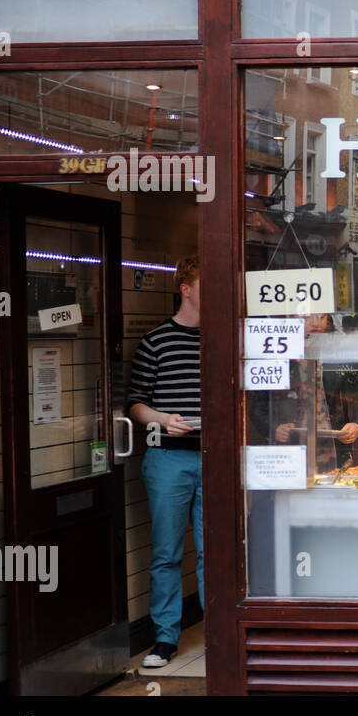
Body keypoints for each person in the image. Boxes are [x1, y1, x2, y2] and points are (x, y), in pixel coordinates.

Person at [126, 255, 203, 669]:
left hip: (216, 457)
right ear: (185, 289)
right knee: (167, 553)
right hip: (168, 459)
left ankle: (217, 630)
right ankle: (165, 639)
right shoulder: (156, 341)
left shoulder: (223, 339)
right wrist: (162, 419)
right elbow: (135, 403)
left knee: (218, 552)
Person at [271, 313, 358, 468]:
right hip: (288, 453)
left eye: (320, 317)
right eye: (306, 318)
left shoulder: (341, 359)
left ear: (329, 322)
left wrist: (357, 425)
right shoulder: (280, 357)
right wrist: (274, 427)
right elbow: (259, 406)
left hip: (335, 450)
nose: (315, 324)